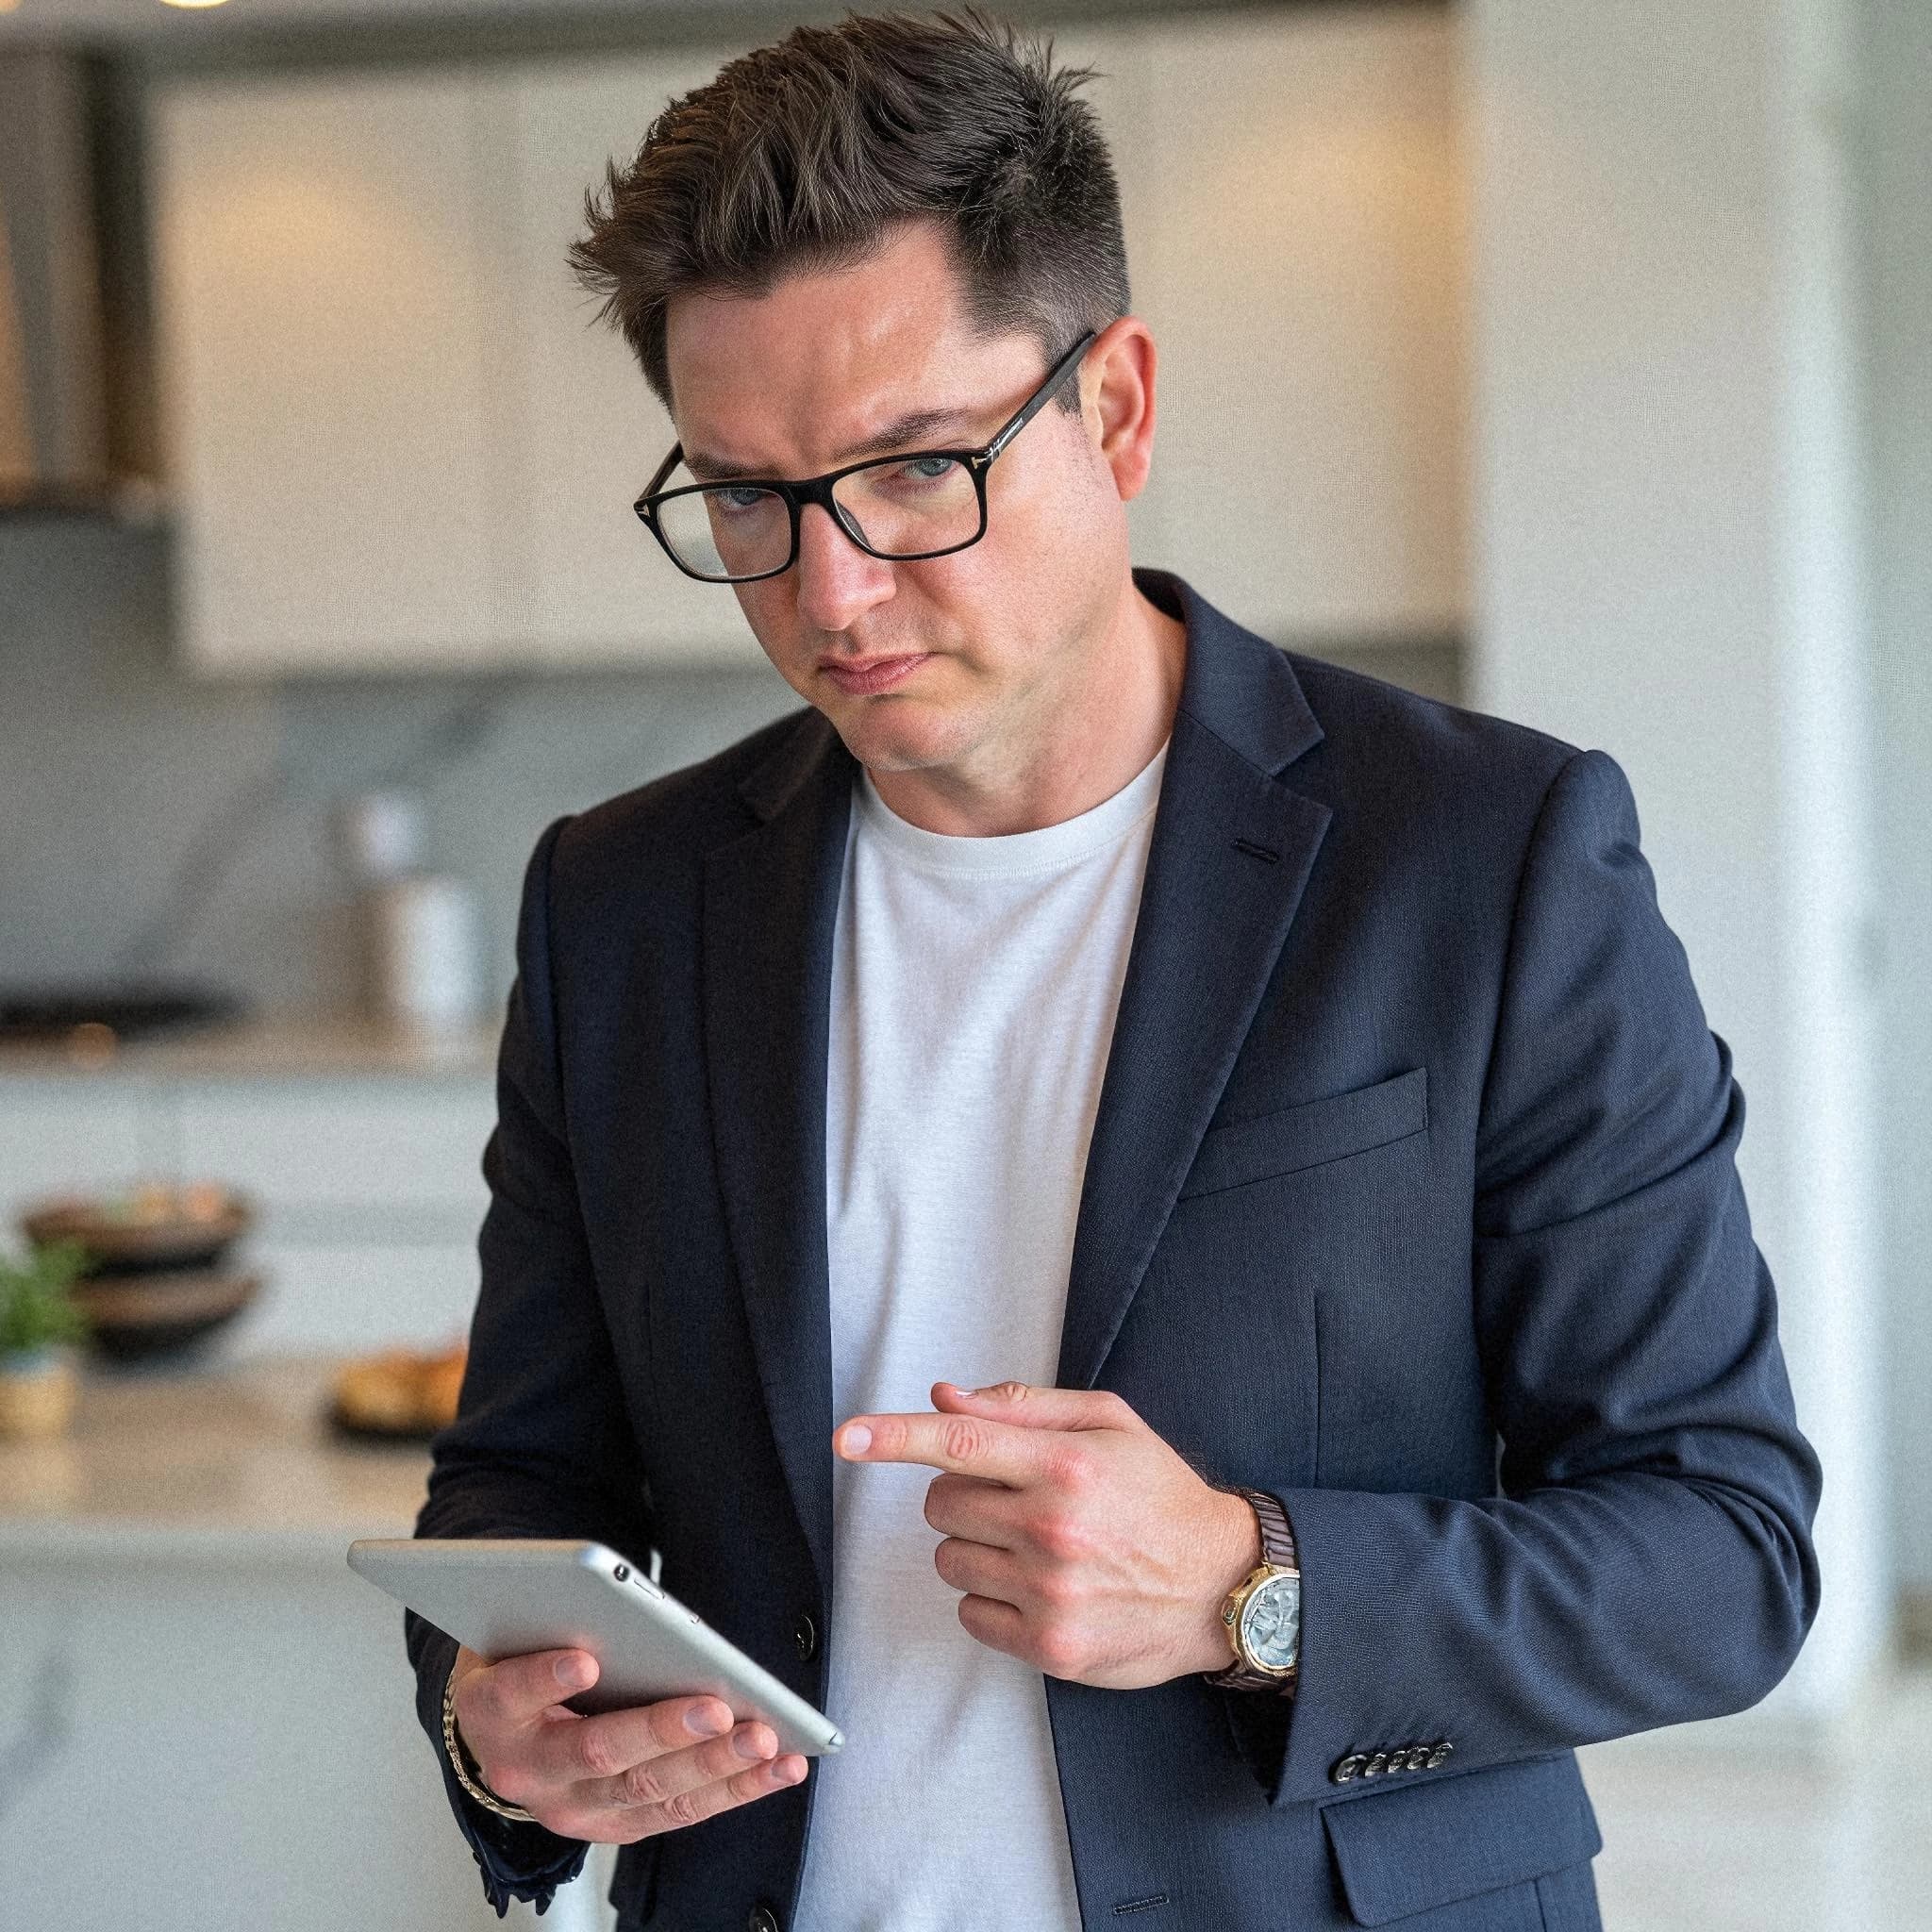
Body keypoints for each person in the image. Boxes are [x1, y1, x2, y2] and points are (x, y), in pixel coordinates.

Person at [403, 9, 1822, 1930]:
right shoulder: (623, 903)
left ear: (1119, 406)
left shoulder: (1486, 859)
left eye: (913, 470)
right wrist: (502, 1736)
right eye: (742, 495)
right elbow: (516, 1493)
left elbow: (1719, 1556)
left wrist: (1255, 1583)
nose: (826, 590)